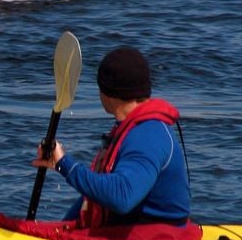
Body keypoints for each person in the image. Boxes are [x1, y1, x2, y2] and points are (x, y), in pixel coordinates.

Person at [32, 47, 193, 229]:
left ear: (105, 93)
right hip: (133, 229)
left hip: (157, 239)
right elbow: (97, 197)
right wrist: (62, 229)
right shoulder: (130, 129)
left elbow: (122, 197)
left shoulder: (148, 136)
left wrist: (65, 164)